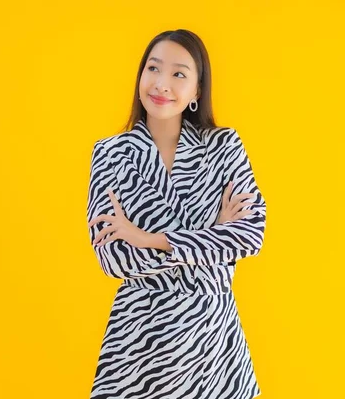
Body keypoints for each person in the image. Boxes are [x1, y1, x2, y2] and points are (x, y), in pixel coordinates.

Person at [86, 29, 267, 399]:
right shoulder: (110, 154)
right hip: (138, 347)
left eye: (179, 74)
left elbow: (250, 235)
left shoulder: (224, 147)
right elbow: (113, 258)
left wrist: (146, 237)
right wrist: (214, 234)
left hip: (213, 346)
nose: (161, 84)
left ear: (198, 90)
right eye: (153, 69)